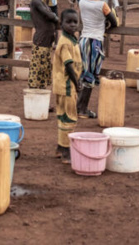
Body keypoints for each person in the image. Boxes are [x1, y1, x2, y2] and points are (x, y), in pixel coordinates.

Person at [78, 0, 118, 119]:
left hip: (82, 41)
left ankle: (78, 105)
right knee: (90, 76)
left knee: (83, 73)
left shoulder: (82, 2)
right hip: (95, 41)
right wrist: (106, 24)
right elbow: (114, 23)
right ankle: (82, 109)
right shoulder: (103, 5)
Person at [53, 9, 83, 164]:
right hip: (67, 85)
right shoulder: (65, 43)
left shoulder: (72, 39)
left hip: (65, 84)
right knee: (69, 117)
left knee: (63, 116)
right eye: (68, 22)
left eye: (75, 22)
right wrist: (77, 83)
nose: (72, 25)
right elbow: (69, 66)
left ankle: (60, 148)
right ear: (61, 24)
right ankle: (65, 151)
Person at [28, 0, 58, 89]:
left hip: (46, 40)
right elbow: (50, 16)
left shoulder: (41, 2)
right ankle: (35, 97)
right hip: (41, 40)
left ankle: (41, 97)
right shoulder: (36, 2)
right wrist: (55, 16)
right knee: (37, 70)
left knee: (43, 68)